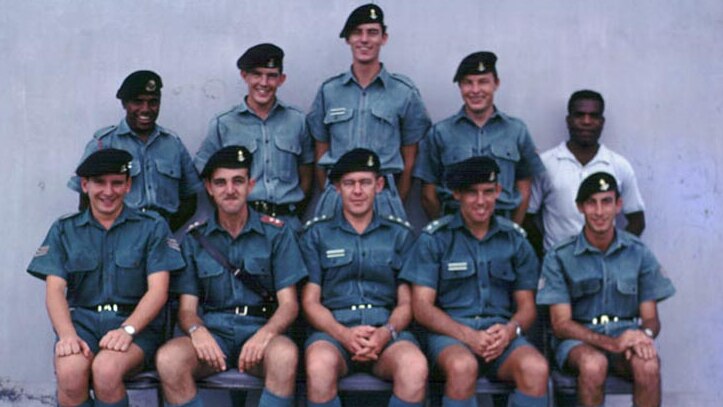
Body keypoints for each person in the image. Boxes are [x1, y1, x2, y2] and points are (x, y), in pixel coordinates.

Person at [28, 149, 184, 407]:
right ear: (85, 185)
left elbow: (158, 290)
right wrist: (67, 335)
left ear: (128, 185)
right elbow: (55, 290)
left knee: (107, 370)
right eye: (100, 182)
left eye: (117, 183)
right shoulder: (65, 229)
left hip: (136, 326)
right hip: (83, 324)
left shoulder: (151, 226)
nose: (108, 192)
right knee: (69, 373)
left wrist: (128, 329)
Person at [155, 146, 307, 407]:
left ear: (251, 185)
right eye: (221, 182)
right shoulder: (195, 239)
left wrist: (267, 333)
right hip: (214, 333)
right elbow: (187, 309)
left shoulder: (277, 234)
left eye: (238, 181)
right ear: (209, 188)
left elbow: (289, 304)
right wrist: (196, 330)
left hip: (261, 328)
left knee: (285, 356)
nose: (230, 189)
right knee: (169, 359)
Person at [401, 156, 549, 407]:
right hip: (451, 335)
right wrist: (468, 336)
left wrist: (509, 331)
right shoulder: (436, 239)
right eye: (472, 193)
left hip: (501, 335)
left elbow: (527, 306)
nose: (481, 201)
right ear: (457, 194)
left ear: (499, 191)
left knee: (535, 368)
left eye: (488, 192)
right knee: (462, 367)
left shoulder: (514, 239)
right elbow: (422, 307)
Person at [301, 149, 428, 407]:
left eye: (365, 182)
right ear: (337, 188)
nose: (357, 191)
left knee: (414, 366)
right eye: (349, 183)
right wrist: (343, 334)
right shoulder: (317, 234)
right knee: (319, 366)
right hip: (333, 332)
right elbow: (311, 302)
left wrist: (385, 333)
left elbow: (407, 303)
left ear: (379, 185)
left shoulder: (399, 234)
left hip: (387, 331)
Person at [536, 172, 675, 407]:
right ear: (580, 207)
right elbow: (561, 325)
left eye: (606, 201)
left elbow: (651, 319)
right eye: (592, 203)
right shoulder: (560, 256)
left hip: (626, 337)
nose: (599, 212)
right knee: (593, 365)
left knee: (648, 365)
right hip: (577, 341)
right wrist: (611, 343)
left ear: (618, 205)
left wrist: (644, 336)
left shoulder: (638, 252)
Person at [307, 3, 431, 220]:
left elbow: (410, 158)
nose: (364, 39)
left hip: (384, 198)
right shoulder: (329, 91)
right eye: (357, 32)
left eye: (372, 32)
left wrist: (393, 198)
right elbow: (320, 151)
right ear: (348, 39)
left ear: (384, 38)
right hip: (337, 199)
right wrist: (336, 188)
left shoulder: (404, 92)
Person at [414, 51, 544, 225]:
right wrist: (447, 233)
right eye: (468, 83)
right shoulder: (440, 133)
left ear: (496, 84)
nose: (475, 90)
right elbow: (428, 194)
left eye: (483, 82)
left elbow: (524, 190)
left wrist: (512, 230)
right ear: (460, 86)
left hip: (502, 228)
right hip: (454, 229)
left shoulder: (516, 131)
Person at [194, 44, 314, 232]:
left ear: (282, 79)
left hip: (287, 224)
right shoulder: (224, 123)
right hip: (242, 226)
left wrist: (293, 211)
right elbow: (205, 173)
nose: (264, 83)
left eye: (271, 75)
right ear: (245, 76)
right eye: (257, 74)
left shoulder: (297, 121)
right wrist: (228, 213)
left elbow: (306, 172)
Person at [68, 70, 202, 231]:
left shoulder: (173, 144)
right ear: (125, 104)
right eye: (137, 102)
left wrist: (164, 230)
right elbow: (85, 199)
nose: (146, 109)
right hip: (118, 236)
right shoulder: (104, 144)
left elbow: (190, 197)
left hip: (162, 237)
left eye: (153, 102)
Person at [526, 89, 646, 252]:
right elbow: (527, 217)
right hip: (559, 270)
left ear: (602, 122)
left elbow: (637, 220)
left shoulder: (618, 165)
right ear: (568, 120)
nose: (586, 121)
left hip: (604, 270)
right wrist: (547, 255)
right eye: (579, 115)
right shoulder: (546, 164)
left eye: (593, 116)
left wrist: (616, 254)